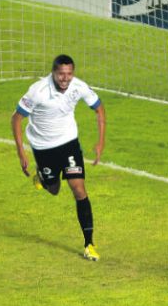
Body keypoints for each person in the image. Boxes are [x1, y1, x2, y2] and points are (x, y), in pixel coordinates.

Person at [11, 55, 106, 261]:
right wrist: (21, 152)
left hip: (69, 143)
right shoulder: (38, 91)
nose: (65, 78)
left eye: (69, 74)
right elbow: (16, 118)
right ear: (53, 73)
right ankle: (42, 176)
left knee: (79, 189)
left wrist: (100, 142)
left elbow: (99, 109)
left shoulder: (78, 87)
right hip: (43, 147)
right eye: (61, 74)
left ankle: (89, 243)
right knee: (53, 189)